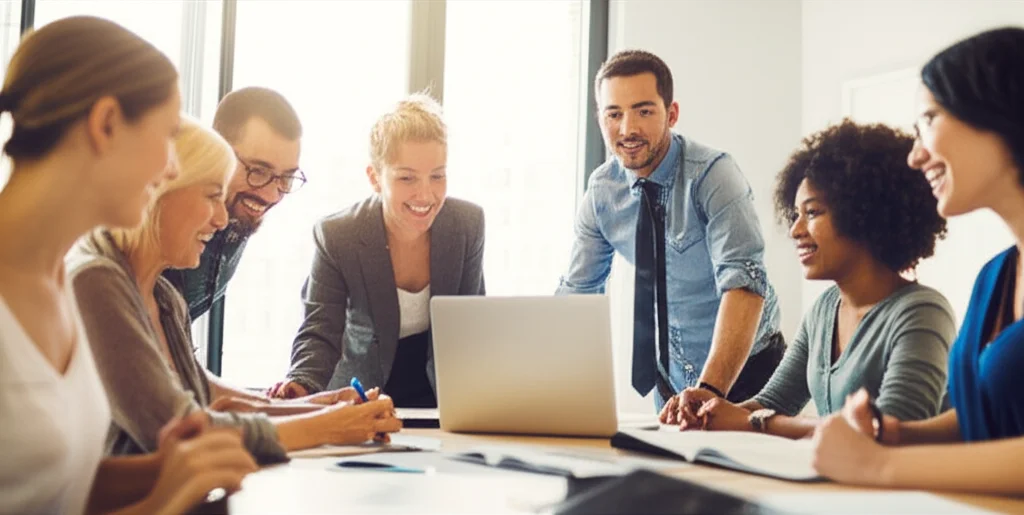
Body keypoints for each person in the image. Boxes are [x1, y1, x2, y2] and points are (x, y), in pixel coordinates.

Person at [0, 16, 256, 515]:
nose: (173, 168)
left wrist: (171, 466)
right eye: (167, 134)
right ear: (107, 124)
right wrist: (159, 503)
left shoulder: (60, 281)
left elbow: (48, 483)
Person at [67, 117, 402, 463]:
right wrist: (329, 425)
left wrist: (319, 406)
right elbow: (180, 429)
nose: (221, 219)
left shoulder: (164, 298)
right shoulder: (95, 281)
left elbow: (202, 394)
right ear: (160, 188)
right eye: (212, 196)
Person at [811, 27, 1024, 496]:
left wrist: (878, 467)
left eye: (929, 119)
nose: (916, 155)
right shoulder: (996, 277)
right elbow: (988, 416)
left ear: (1000, 112)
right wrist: (895, 435)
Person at [664, 120, 955, 437]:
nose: (795, 230)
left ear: (864, 215)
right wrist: (710, 409)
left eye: (813, 213)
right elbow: (771, 402)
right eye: (796, 214)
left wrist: (754, 421)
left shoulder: (922, 313)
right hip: (842, 483)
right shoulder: (824, 310)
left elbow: (888, 433)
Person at [557, 49, 783, 413]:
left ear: (671, 114)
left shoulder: (713, 175)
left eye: (644, 111)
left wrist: (710, 390)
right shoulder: (602, 192)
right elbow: (578, 294)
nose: (627, 129)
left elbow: (744, 284)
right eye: (614, 114)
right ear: (600, 118)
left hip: (750, 373)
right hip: (672, 384)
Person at [268, 93, 485, 408]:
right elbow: (321, 329)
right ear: (375, 178)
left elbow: (471, 325)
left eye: (437, 175)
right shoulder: (338, 235)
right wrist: (301, 383)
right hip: (361, 395)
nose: (426, 194)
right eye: (407, 178)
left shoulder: (467, 225)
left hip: (440, 397)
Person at [163, 86, 303, 321]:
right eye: (258, 171)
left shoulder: (239, 211)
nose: (270, 195)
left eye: (286, 178)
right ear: (218, 149)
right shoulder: (166, 212)